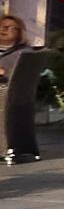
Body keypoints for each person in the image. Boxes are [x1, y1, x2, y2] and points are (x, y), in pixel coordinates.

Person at [0, 13, 42, 165]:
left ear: (19, 32)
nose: (3, 30)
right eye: (1, 27)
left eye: (8, 28)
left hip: (8, 91)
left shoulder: (23, 52)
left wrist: (4, 72)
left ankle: (8, 149)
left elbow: (23, 75)